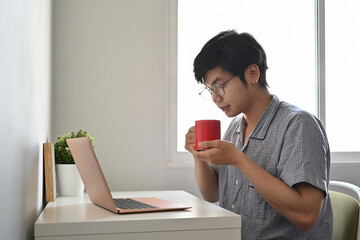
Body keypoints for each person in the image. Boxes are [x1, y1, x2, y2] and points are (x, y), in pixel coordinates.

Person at [185, 30, 333, 239]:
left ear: (253, 73)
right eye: (210, 90)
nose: (215, 98)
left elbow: (307, 215)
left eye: (219, 86)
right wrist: (198, 155)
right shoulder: (235, 128)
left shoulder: (298, 124)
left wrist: (239, 160)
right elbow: (212, 194)